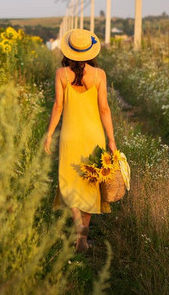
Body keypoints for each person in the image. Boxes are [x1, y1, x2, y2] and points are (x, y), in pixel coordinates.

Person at [43, 28, 117, 253]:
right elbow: (104, 109)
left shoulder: (61, 74)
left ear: (69, 51)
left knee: (71, 182)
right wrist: (111, 141)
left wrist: (49, 133)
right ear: (90, 52)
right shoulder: (99, 75)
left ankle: (78, 233)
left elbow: (58, 106)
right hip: (94, 135)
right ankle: (83, 236)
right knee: (90, 182)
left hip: (70, 135)